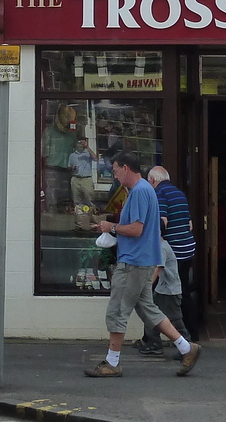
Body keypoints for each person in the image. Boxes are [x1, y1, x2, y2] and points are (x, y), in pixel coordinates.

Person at [85, 152, 201, 378]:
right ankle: (187, 348)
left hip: (134, 262)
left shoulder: (138, 192)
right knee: (149, 309)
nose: (115, 175)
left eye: (116, 170)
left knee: (118, 310)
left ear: (126, 168)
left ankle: (112, 361)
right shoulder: (147, 191)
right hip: (145, 260)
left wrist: (112, 227)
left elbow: (137, 229)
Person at [146, 165, 199, 337]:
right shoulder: (179, 193)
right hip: (188, 248)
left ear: (153, 180)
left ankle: (186, 335)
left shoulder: (159, 193)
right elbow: (189, 224)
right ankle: (189, 332)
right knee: (180, 290)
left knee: (162, 293)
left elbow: (163, 222)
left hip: (174, 251)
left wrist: (154, 240)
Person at [137, 238, 188, 355]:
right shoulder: (159, 246)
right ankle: (154, 342)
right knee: (151, 314)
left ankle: (188, 345)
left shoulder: (162, 248)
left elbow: (158, 269)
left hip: (170, 291)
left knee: (175, 319)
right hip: (162, 289)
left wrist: (147, 285)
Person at [68, 137, 96, 207]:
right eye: (80, 143)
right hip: (75, 178)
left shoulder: (88, 153)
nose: (81, 145)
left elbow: (96, 159)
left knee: (89, 198)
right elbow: (69, 167)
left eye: (83, 143)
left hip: (86, 179)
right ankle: (79, 215)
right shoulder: (72, 155)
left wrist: (88, 147)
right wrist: (72, 168)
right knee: (76, 200)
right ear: (76, 144)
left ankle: (91, 213)